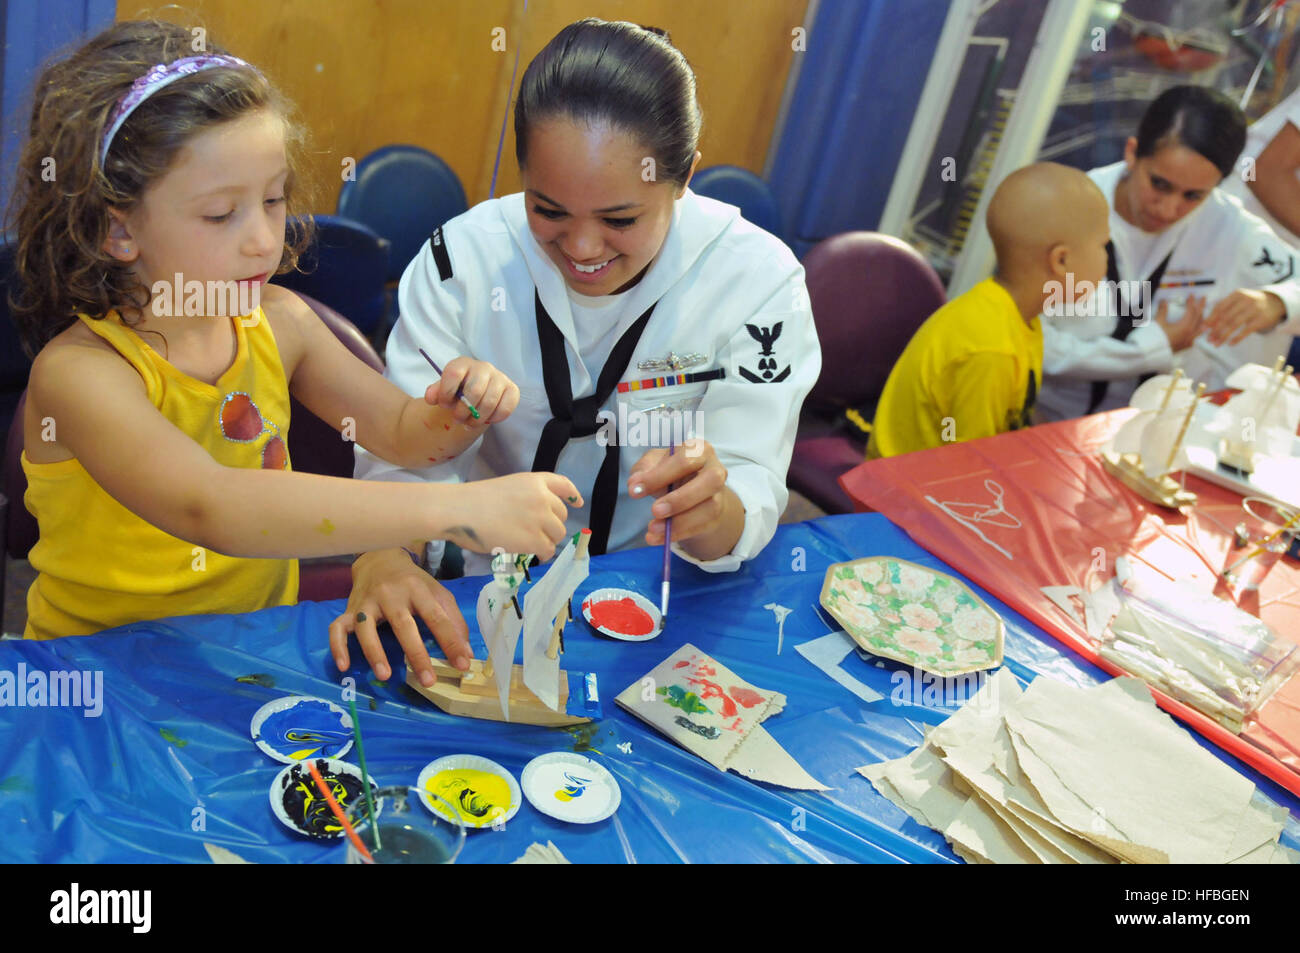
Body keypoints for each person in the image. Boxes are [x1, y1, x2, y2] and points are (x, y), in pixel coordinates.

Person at [6, 21, 580, 639]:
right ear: (118, 231)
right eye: (222, 214)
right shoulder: (80, 375)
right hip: (98, 675)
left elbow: (403, 436)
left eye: (274, 200)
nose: (262, 239)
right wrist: (457, 512)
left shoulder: (280, 323)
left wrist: (460, 410)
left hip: (251, 649)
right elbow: (212, 505)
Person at [331, 19, 820, 687]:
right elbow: (395, 456)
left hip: (652, 592)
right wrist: (383, 556)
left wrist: (714, 512)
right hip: (475, 587)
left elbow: (750, 481)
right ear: (521, 174)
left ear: (684, 180)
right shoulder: (463, 261)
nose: (584, 248)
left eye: (621, 219)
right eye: (548, 209)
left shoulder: (757, 282)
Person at [1038, 85, 1300, 421]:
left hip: (1154, 432)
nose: (1169, 208)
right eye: (1159, 184)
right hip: (1046, 421)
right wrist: (1148, 350)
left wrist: (1277, 302)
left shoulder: (1226, 224)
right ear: (1132, 153)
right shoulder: (1063, 210)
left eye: (1194, 195)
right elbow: (1031, 344)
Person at [867, 164, 1109, 458]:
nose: (1106, 259)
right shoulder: (992, 350)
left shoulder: (1019, 318)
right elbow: (972, 468)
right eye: (1102, 246)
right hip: (903, 494)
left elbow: (1014, 420)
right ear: (1061, 261)